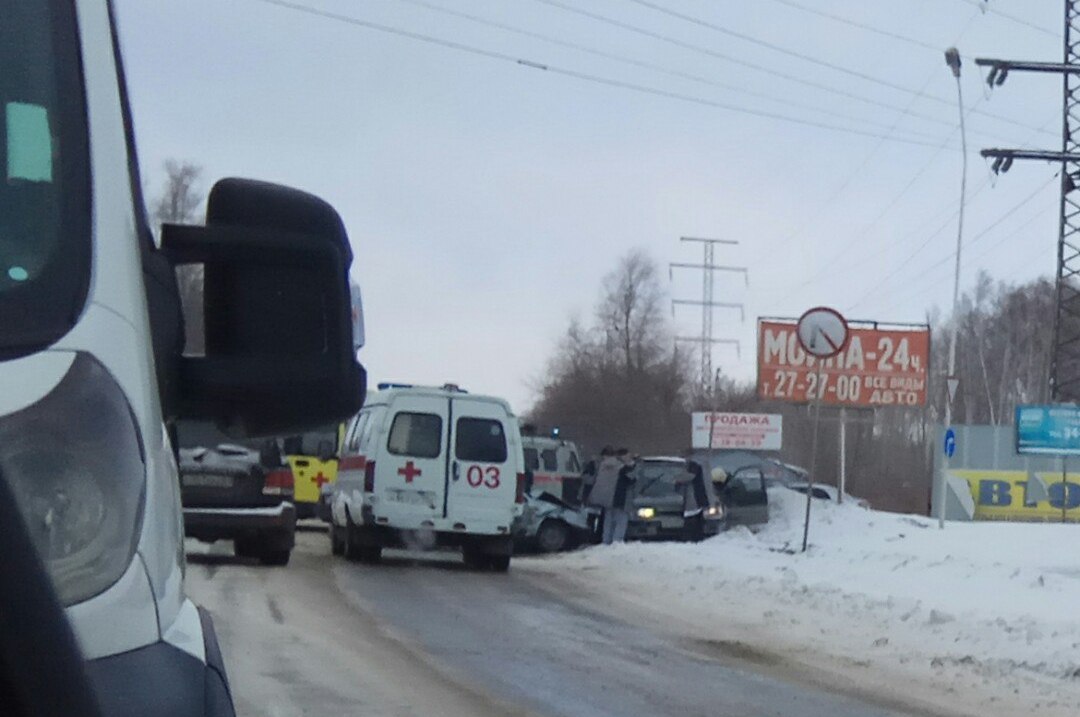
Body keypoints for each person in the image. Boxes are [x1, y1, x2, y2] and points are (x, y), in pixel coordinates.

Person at [591, 447, 637, 544]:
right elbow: (632, 478)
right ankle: (616, 543)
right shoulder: (621, 467)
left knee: (608, 523)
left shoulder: (604, 464)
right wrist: (633, 464)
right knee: (620, 522)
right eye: (628, 455)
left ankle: (606, 542)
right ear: (623, 456)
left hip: (606, 499)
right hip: (620, 499)